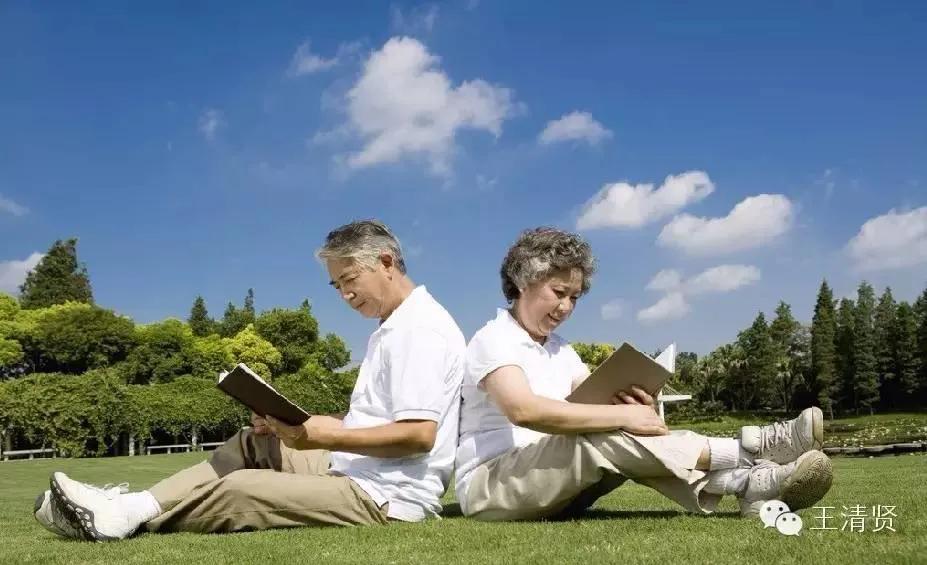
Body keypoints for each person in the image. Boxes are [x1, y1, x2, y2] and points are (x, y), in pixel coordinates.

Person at [36, 220, 466, 541]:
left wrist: (320, 436)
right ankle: (131, 506)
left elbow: (418, 435)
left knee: (241, 489)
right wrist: (298, 423)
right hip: (355, 470)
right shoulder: (392, 326)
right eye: (336, 285)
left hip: (387, 497)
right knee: (255, 441)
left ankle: (121, 521)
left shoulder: (419, 330)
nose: (345, 295)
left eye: (350, 280)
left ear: (386, 263)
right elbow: (378, 415)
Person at [455, 227, 833, 521]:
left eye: (575, 297)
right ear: (523, 281)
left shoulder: (562, 350)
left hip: (555, 481)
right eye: (558, 292)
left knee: (610, 428)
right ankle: (752, 453)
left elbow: (595, 402)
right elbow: (525, 411)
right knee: (596, 436)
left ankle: (750, 485)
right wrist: (622, 416)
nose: (567, 306)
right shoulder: (493, 339)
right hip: (492, 487)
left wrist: (635, 403)